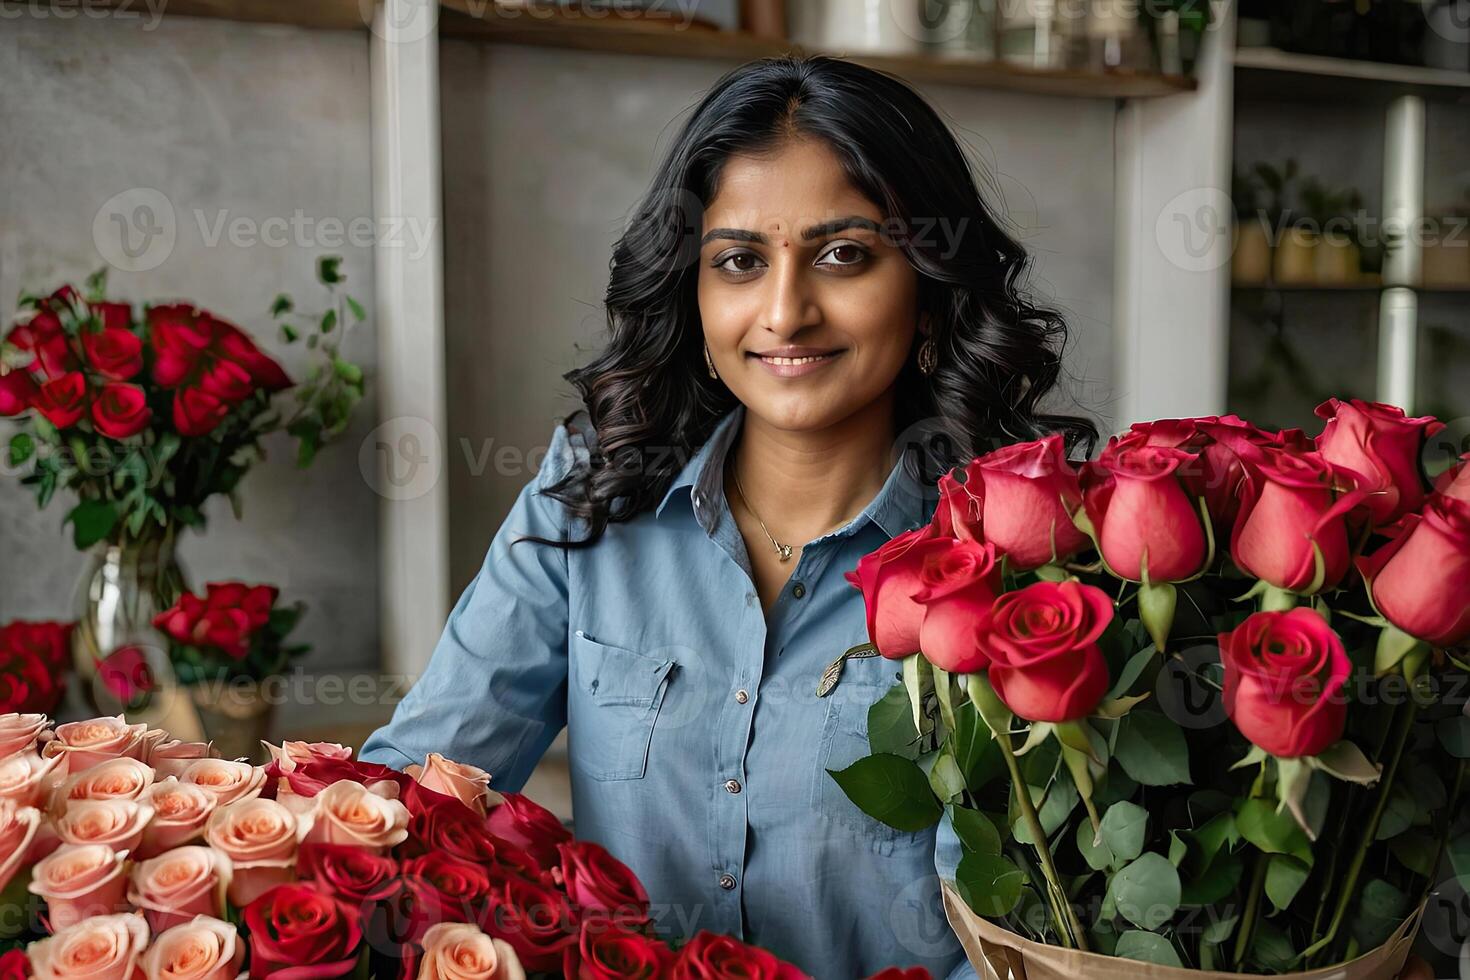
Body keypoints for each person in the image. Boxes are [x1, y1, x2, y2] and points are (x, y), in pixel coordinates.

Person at [360, 53, 1096, 978]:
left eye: (844, 255)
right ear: (693, 289)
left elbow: (1026, 940)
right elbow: (413, 794)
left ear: (929, 292)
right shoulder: (597, 492)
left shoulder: (1022, 556)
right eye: (740, 261)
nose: (784, 312)